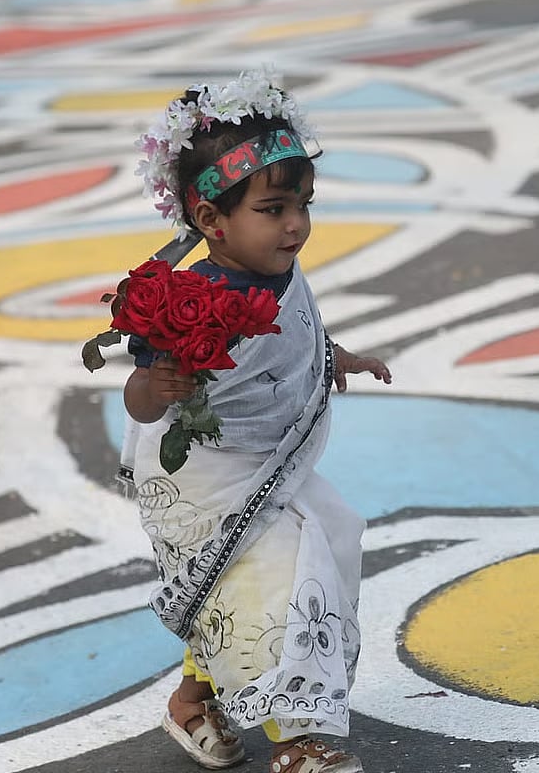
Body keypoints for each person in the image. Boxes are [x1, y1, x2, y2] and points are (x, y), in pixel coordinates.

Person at [119, 70, 391, 773]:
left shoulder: (277, 270)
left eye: (303, 203)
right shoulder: (189, 300)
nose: (296, 223)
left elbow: (298, 335)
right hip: (203, 476)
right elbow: (140, 401)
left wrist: (342, 358)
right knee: (276, 590)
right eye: (274, 208)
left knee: (274, 573)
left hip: (269, 466)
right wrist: (160, 381)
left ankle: (194, 703)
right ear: (212, 221)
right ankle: (298, 746)